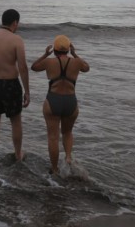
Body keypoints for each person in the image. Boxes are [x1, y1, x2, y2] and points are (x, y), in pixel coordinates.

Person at [31, 35, 90, 174]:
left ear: (55, 49)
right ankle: (68, 157)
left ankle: (55, 168)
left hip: (53, 100)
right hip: (70, 101)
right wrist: (75, 54)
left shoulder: (49, 62)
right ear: (68, 49)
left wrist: (45, 54)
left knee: (53, 137)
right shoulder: (76, 62)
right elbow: (87, 68)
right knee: (67, 132)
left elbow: (34, 67)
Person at [0, 9, 31, 165]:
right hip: (10, 84)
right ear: (15, 22)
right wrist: (27, 91)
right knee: (15, 121)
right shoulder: (16, 40)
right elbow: (22, 67)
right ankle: (17, 154)